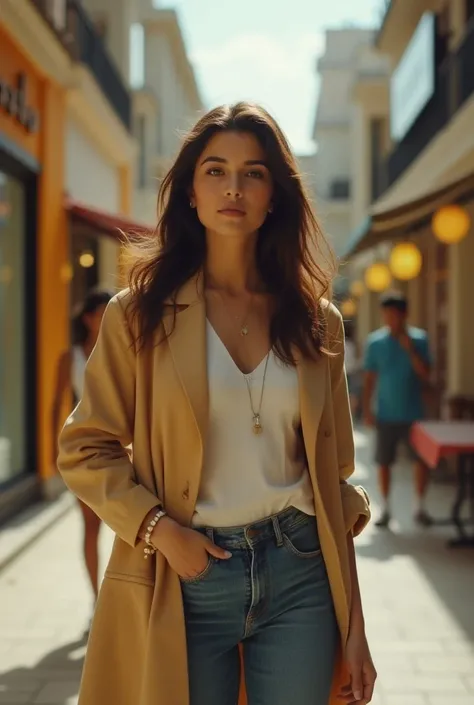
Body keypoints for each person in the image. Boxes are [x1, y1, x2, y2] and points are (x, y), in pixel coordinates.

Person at [57, 102, 375, 705]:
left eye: (254, 173)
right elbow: (85, 448)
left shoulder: (318, 323)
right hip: (187, 574)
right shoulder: (138, 313)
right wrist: (158, 529)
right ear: (190, 194)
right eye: (215, 170)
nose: (234, 188)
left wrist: (355, 630)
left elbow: (333, 485)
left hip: (300, 570)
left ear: (274, 195)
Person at [51, 288, 112, 602]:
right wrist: (54, 452)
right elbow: (56, 406)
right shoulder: (70, 357)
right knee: (91, 527)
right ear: (88, 318)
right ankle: (96, 600)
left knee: (133, 530)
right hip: (85, 451)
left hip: (124, 449)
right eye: (103, 312)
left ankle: (124, 604)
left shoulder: (125, 352)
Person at [362, 291, 432, 528]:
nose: (391, 318)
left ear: (405, 315)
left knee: (420, 462)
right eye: (387, 314)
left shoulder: (420, 339)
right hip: (385, 413)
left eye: (396, 314)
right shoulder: (375, 342)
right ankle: (386, 509)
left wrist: (410, 348)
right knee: (384, 462)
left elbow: (426, 374)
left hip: (414, 414)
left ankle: (419, 507)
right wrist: (367, 410)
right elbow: (369, 379)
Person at [344, 320, 361, 419]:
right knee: (352, 395)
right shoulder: (351, 344)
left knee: (350, 395)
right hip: (350, 373)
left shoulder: (346, 344)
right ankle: (350, 415)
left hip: (348, 373)